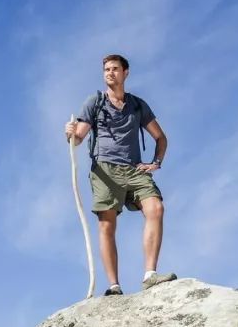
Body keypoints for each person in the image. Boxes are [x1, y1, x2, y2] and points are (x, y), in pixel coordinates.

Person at [64, 54, 177, 296]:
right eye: (106, 69)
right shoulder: (95, 102)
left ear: (126, 73)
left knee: (156, 208)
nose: (109, 73)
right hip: (104, 168)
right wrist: (71, 133)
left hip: (134, 169)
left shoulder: (137, 105)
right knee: (107, 225)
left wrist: (156, 162)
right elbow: (79, 138)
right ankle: (114, 287)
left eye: (115, 69)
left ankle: (150, 275)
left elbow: (161, 137)